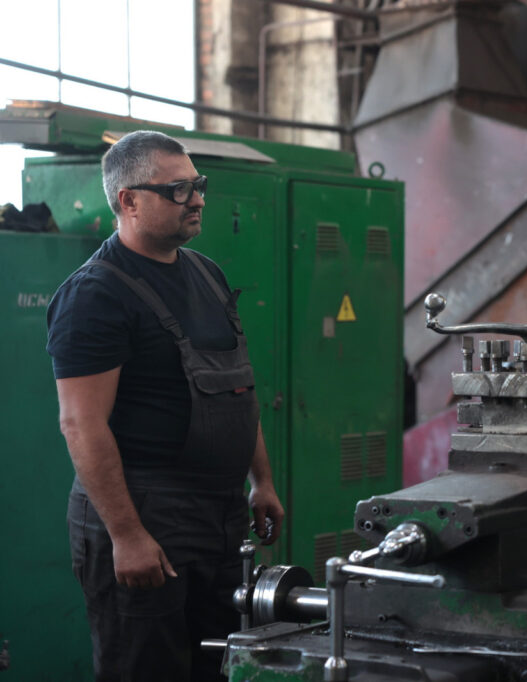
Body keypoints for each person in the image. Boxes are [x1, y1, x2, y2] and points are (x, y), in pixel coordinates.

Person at [46, 130, 285, 681]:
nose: (196, 199)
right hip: (147, 515)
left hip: (220, 516)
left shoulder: (207, 273)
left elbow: (236, 388)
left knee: (221, 666)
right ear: (128, 201)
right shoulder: (96, 294)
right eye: (177, 189)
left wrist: (262, 481)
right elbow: (81, 424)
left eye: (198, 185)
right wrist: (127, 535)